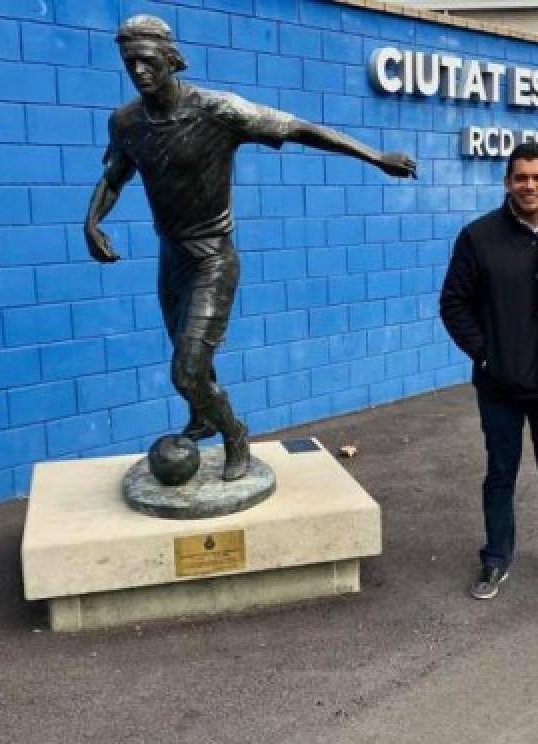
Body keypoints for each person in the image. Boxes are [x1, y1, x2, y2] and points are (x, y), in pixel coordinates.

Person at [84, 15, 416, 480]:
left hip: (213, 259)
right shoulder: (126, 122)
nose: (139, 71)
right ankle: (203, 417)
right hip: (171, 258)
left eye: (148, 61)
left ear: (171, 60)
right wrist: (92, 222)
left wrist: (375, 157)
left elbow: (301, 129)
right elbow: (116, 174)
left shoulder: (220, 111)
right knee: (189, 359)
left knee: (188, 369)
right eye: (130, 62)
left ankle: (235, 435)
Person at [439, 142, 538, 599]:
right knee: (500, 474)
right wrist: (485, 354)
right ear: (507, 182)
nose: (530, 185)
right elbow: (454, 303)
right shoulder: (479, 236)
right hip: (500, 385)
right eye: (521, 177)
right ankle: (495, 559)